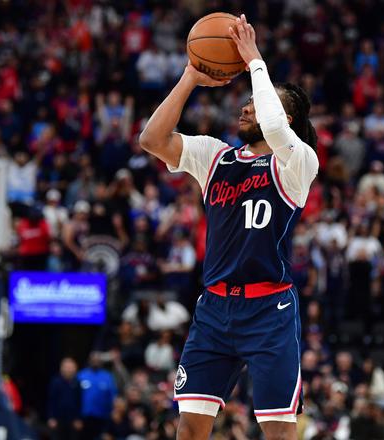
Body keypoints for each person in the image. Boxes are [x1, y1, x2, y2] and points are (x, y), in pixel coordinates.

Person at [138, 14, 319, 440]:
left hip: (269, 310)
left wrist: (254, 59)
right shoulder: (215, 157)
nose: (246, 106)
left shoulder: (297, 163)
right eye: (249, 99)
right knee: (189, 429)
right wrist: (190, 77)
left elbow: (273, 127)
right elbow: (151, 139)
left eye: (258, 101)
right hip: (215, 308)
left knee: (278, 431)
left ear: (287, 118)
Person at [47, 357, 83, 440]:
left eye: (71, 367)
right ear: (61, 368)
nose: (68, 370)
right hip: (58, 419)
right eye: (66, 367)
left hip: (73, 420)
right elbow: (51, 401)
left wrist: (79, 419)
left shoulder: (77, 383)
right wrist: (51, 417)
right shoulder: (55, 382)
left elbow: (79, 402)